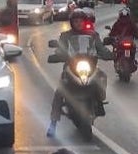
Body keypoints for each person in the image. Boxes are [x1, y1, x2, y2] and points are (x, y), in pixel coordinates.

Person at [47, 8, 112, 137]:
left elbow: (101, 48)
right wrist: (57, 55)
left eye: (80, 21)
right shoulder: (66, 36)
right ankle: (53, 124)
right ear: (72, 22)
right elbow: (60, 49)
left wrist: (110, 54)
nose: (78, 23)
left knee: (102, 76)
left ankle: (99, 100)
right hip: (71, 67)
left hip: (90, 66)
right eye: (75, 21)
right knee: (60, 91)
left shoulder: (93, 35)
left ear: (84, 22)